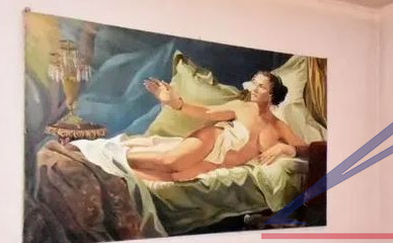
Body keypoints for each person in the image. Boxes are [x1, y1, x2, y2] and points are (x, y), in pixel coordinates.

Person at [125, 70, 307, 182]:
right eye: (254, 83)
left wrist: (287, 148)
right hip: (211, 140)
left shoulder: (278, 127)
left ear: (271, 95)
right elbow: (207, 112)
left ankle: (119, 176)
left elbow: (308, 149)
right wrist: (177, 103)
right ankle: (116, 158)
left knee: (175, 178)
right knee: (169, 162)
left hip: (218, 163)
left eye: (260, 87)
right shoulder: (241, 106)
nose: (253, 88)